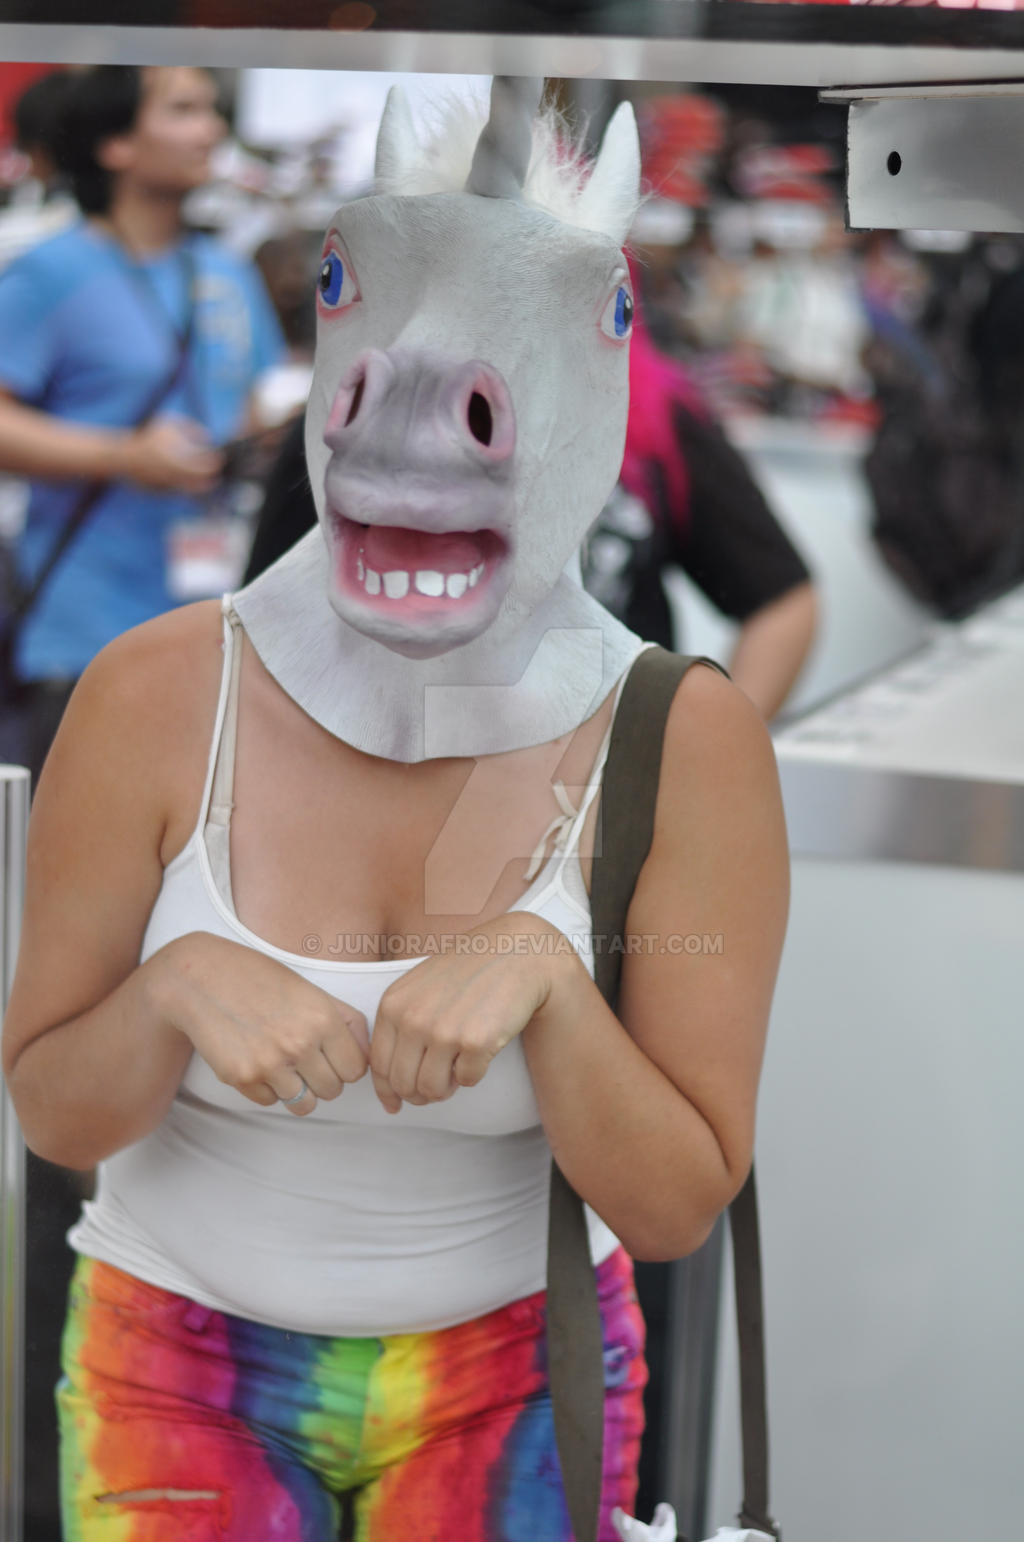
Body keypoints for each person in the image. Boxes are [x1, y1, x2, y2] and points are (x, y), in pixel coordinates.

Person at [2, 80, 789, 1542]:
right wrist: (172, 984)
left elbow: (680, 1203)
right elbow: (55, 1111)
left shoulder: (684, 740)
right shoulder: (158, 692)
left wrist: (551, 981)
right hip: (173, 1368)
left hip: (518, 1377)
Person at [0, 63, 284, 782]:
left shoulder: (226, 272)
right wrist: (126, 455)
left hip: (212, 628)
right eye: (184, 110)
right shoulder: (52, 273)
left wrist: (268, 442)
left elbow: (248, 407)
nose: (211, 130)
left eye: (212, 110)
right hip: (83, 634)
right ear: (114, 145)